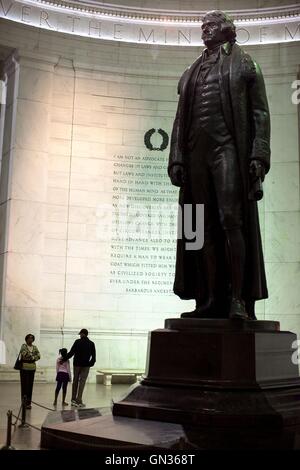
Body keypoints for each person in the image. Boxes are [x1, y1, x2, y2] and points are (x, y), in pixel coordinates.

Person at [168, 10, 270, 320]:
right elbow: (180, 119)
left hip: (228, 148)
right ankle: (209, 298)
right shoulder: (192, 70)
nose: (204, 31)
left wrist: (258, 154)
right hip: (196, 151)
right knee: (200, 226)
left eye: (210, 26)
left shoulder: (244, 63)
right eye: (202, 27)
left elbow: (260, 114)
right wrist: (176, 157)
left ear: (226, 29)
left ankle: (238, 298)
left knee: (230, 218)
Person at [66, 329, 96, 407]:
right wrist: (90, 363)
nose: (80, 335)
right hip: (86, 365)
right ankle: (79, 400)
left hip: (77, 365)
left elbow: (71, 352)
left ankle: (73, 400)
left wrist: (64, 358)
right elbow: (94, 356)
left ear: (83, 334)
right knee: (82, 382)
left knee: (75, 381)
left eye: (80, 334)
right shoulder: (91, 343)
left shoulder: (77, 342)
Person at [19, 334, 41, 409]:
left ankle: (28, 403)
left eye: (32, 338)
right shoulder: (23, 346)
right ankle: (24, 403)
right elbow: (24, 354)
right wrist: (33, 357)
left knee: (30, 386)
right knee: (24, 386)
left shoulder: (35, 347)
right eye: (29, 338)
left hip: (32, 368)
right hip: (24, 368)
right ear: (26, 339)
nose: (30, 340)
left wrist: (31, 357)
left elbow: (39, 356)